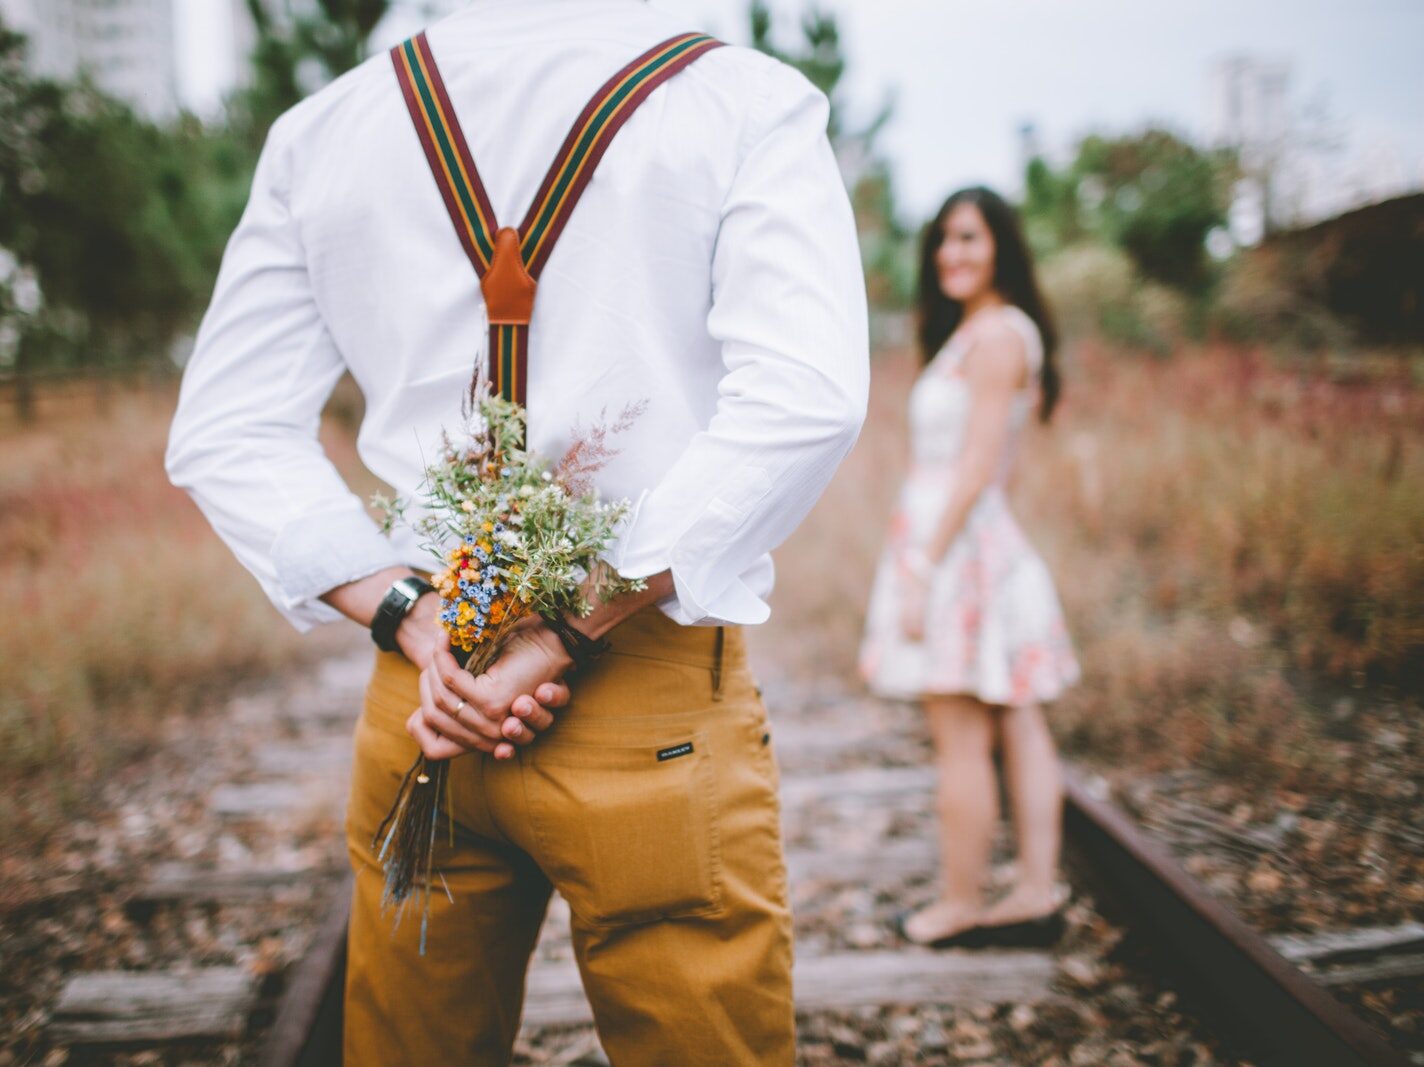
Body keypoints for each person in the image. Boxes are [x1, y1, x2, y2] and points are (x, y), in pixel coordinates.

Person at [164, 1, 869, 1062]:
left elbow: (225, 427)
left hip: (427, 699)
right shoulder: (738, 99)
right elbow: (803, 399)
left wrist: (415, 614)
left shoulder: (325, 130)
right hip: (642, 687)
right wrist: (558, 630)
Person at [858, 186, 1080, 949]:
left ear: (1001, 247)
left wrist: (923, 562)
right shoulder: (986, 332)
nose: (951, 254)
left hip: (955, 551)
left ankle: (960, 903)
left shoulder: (995, 338)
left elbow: (980, 462)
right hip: (971, 541)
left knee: (961, 733)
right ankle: (1031, 890)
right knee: (1017, 718)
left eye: (968, 238)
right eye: (943, 241)